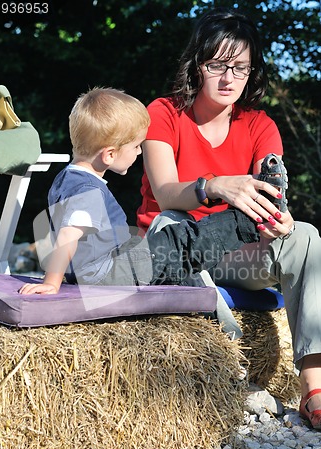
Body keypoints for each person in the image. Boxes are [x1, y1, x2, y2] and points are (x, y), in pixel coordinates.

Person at [136, 7, 321, 429]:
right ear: (197, 65)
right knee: (170, 217)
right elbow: (165, 190)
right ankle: (218, 357)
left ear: (251, 71)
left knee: (307, 236)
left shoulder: (260, 125)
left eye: (240, 67)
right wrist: (214, 185)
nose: (228, 77)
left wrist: (282, 222)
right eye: (217, 64)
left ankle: (313, 388)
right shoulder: (163, 112)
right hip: (175, 248)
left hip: (234, 257)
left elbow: (274, 194)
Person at [18, 87, 264, 298]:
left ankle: (203, 309)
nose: (138, 153)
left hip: (102, 268)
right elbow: (68, 235)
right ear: (110, 154)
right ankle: (244, 221)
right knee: (179, 243)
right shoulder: (86, 189)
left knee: (173, 263)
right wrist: (52, 282)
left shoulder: (66, 178)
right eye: (136, 146)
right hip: (107, 274)